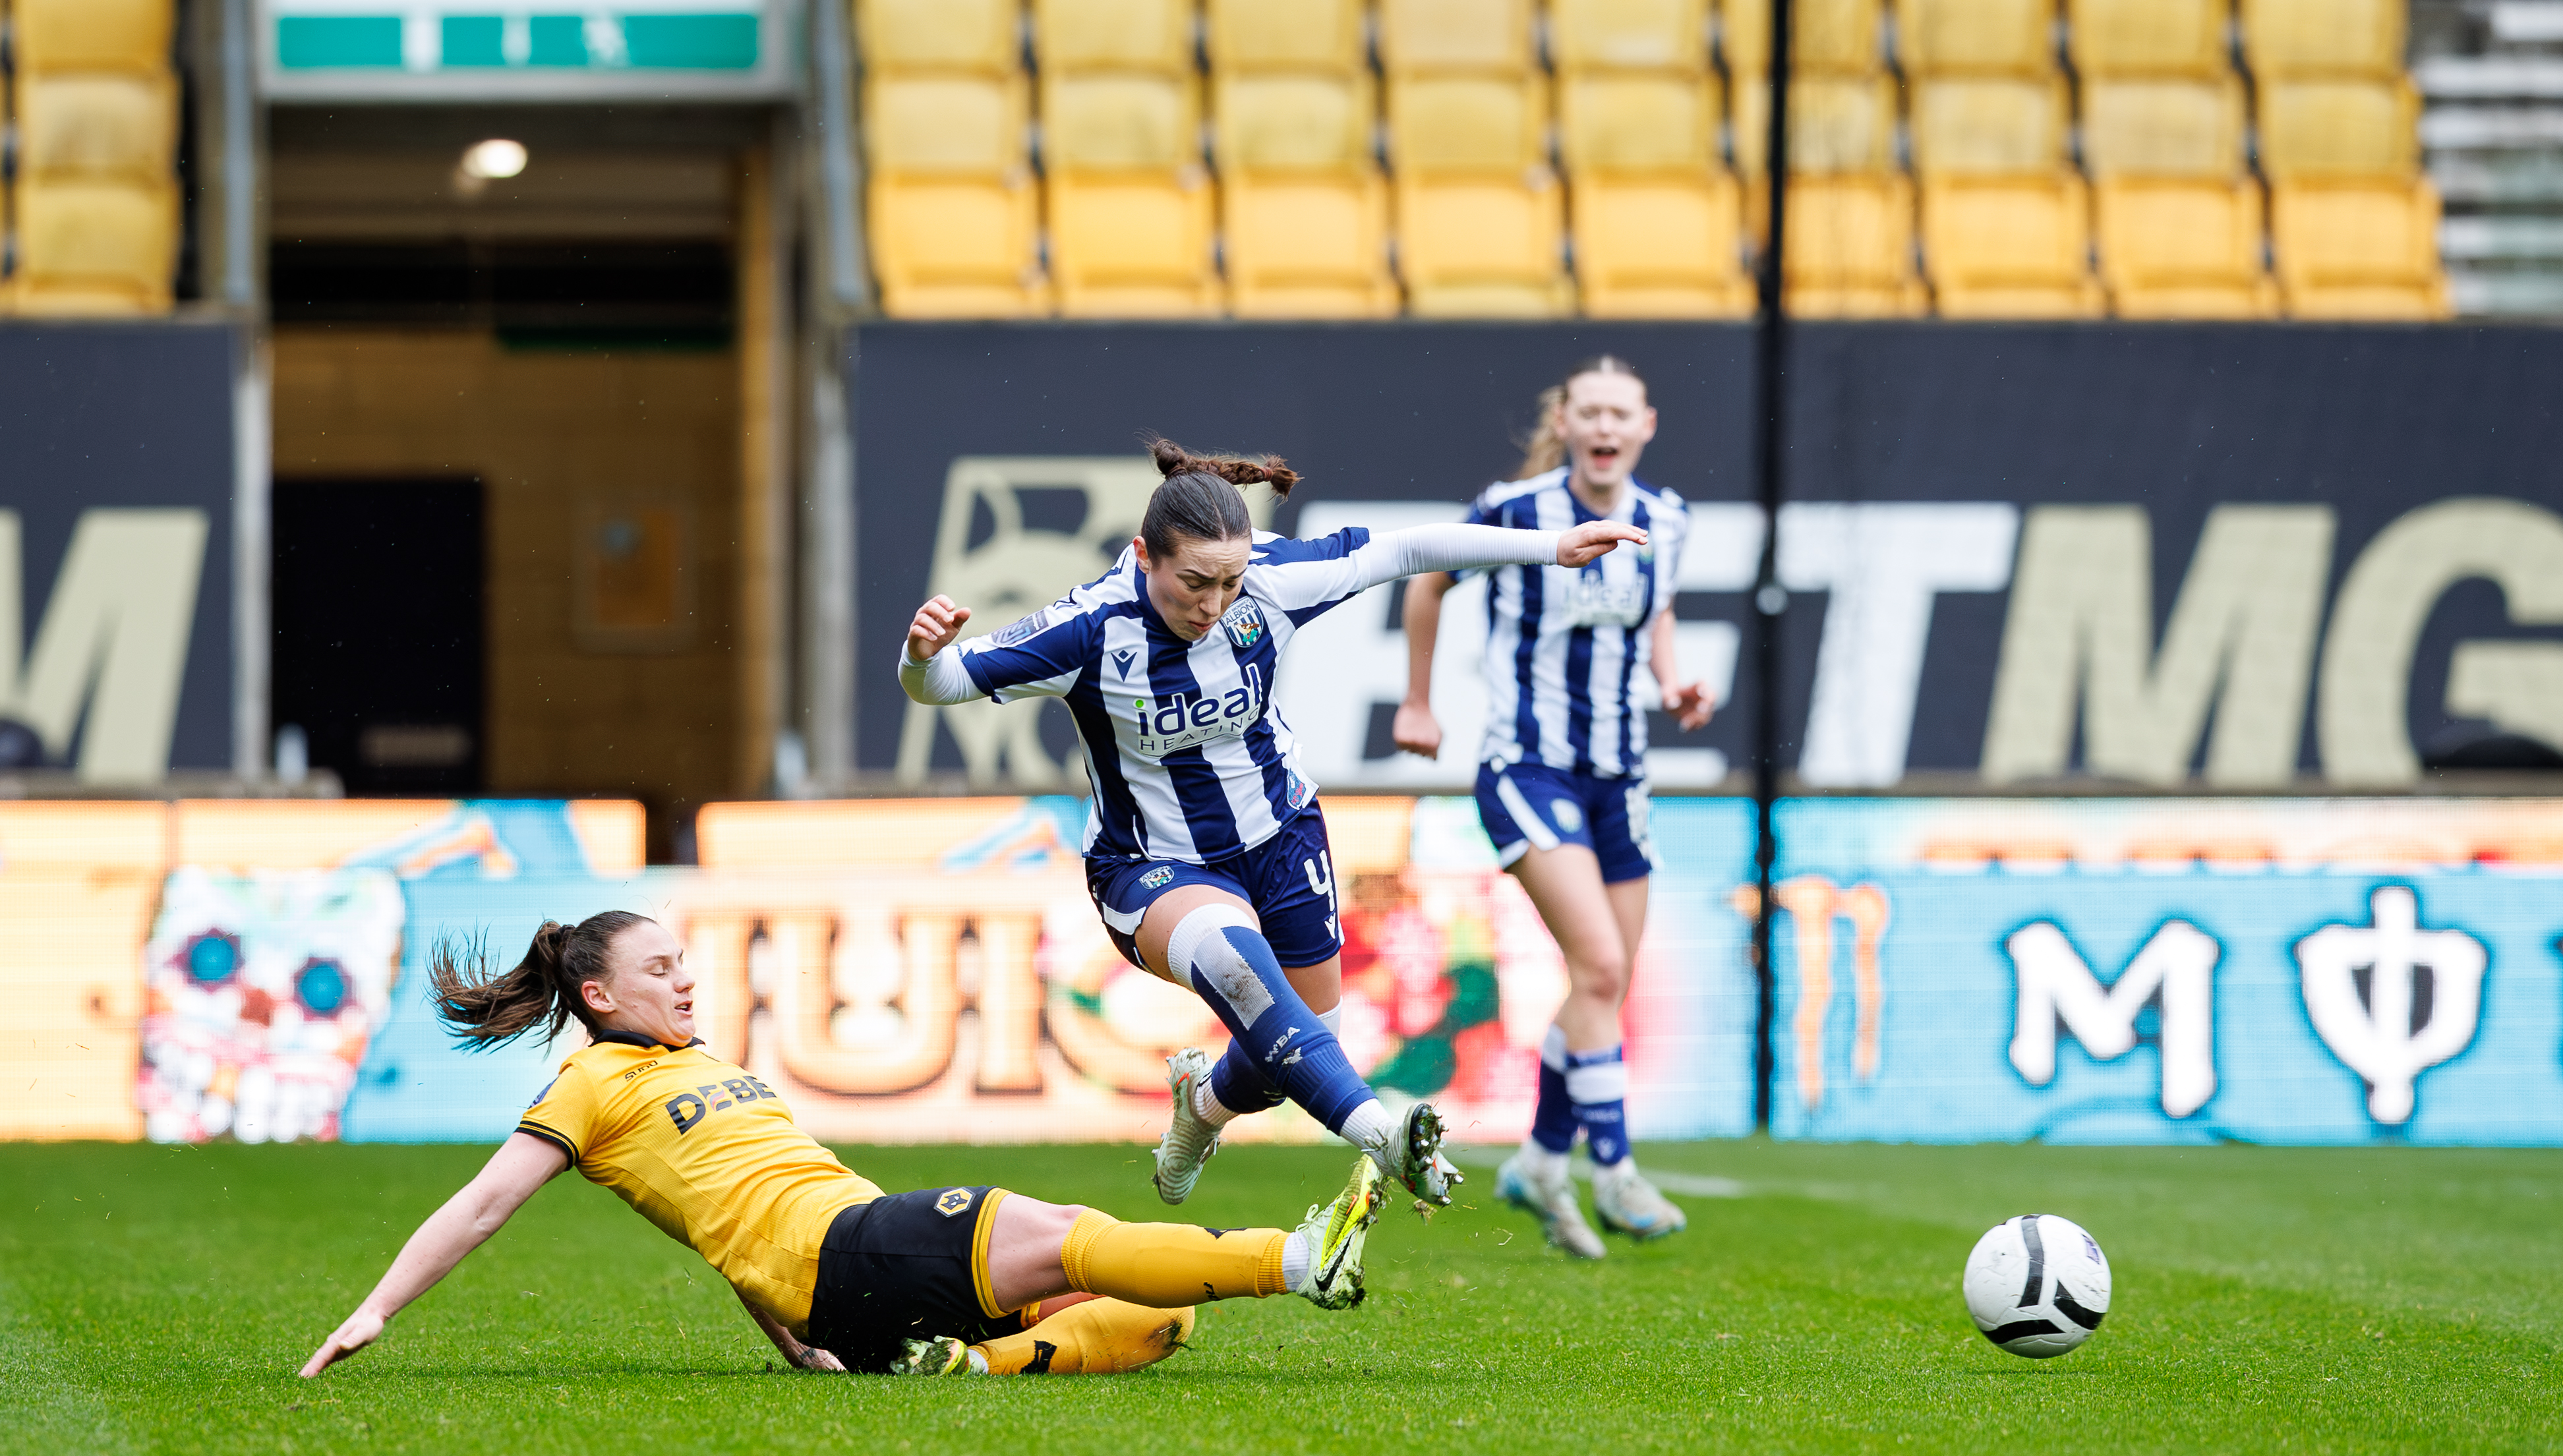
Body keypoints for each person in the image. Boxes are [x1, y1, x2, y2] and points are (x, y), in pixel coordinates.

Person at [899, 438, 1643, 1213]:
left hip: (1282, 835)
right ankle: (1383, 1137)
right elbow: (946, 682)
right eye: (1193, 582)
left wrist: (1551, 549)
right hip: (1153, 864)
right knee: (1243, 972)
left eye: (1229, 581)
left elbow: (1411, 549)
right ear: (1142, 556)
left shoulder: (1275, 582)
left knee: (1297, 1037)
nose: (1213, 604)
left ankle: (1202, 1112)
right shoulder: (1090, 629)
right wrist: (922, 656)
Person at [299, 911, 1392, 1382]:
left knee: (1163, 1315)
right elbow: (484, 1202)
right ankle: (1296, 1260)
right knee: (1068, 1233)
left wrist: (797, 1349)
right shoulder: (591, 1081)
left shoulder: (696, 1066)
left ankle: (968, 1369)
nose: (685, 978)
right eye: (661, 969)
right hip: (854, 1251)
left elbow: (720, 1229)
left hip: (849, 1286)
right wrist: (376, 1306)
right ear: (598, 994)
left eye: (685, 963)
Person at [1392, 356, 1715, 1260]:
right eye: (1591, 412)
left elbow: (1655, 614)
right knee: (1603, 962)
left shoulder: (1669, 519)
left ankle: (1540, 1160)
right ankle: (1612, 1170)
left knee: (1602, 984)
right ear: (1567, 424)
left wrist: (1672, 682)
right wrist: (1419, 700)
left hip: (1622, 774)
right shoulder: (1515, 507)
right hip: (1527, 768)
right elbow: (1429, 581)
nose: (1607, 427)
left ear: (1646, 425)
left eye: (1622, 412)